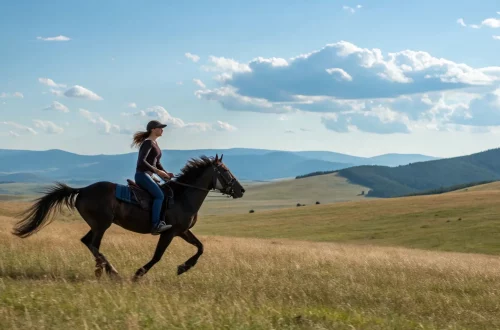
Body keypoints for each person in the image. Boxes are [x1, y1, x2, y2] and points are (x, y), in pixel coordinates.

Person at [131, 120, 174, 235]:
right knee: (159, 196)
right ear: (153, 129)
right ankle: (155, 225)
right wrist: (157, 172)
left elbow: (157, 163)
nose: (162, 130)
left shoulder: (155, 144)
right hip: (142, 175)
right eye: (159, 128)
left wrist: (166, 173)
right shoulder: (148, 143)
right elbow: (142, 161)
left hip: (149, 175)